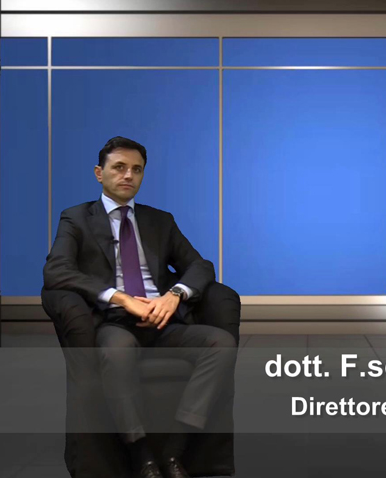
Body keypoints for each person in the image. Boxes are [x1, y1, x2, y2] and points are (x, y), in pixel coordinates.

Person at [42, 136, 237, 478]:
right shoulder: (76, 218)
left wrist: (174, 295)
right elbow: (57, 270)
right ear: (99, 173)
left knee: (221, 344)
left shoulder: (160, 220)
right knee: (116, 353)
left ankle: (175, 450)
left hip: (164, 320)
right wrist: (121, 298)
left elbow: (200, 265)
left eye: (137, 169)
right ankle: (141, 454)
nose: (128, 175)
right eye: (119, 167)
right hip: (114, 322)